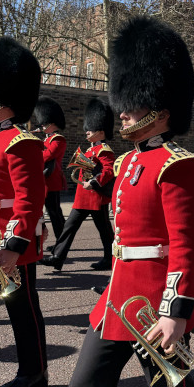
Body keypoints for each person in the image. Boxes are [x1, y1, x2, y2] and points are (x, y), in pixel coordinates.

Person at [1, 16, 194, 387]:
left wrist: (176, 310)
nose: (123, 111)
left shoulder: (176, 165)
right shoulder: (134, 162)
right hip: (117, 299)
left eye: (132, 103)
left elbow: (188, 245)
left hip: (155, 305)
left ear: (159, 108)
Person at [0, 38, 47, 387]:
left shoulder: (19, 141)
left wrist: (14, 246)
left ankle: (34, 373)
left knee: (22, 310)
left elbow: (29, 200)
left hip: (9, 243)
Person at [42, 99, 115, 271]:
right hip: (82, 196)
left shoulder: (104, 150)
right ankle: (57, 258)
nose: (87, 131)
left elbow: (109, 170)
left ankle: (110, 259)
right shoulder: (90, 150)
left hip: (97, 197)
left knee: (105, 231)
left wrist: (95, 181)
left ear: (101, 131)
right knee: (69, 227)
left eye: (91, 129)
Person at [34, 98, 67, 241]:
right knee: (47, 213)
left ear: (52, 124)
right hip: (42, 180)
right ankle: (59, 242)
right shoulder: (46, 140)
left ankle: (61, 242)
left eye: (45, 123)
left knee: (54, 213)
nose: (42, 125)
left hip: (52, 181)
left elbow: (46, 156)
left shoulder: (58, 139)